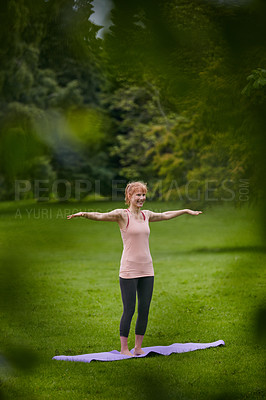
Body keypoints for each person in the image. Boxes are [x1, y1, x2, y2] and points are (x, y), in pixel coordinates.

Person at [67, 181, 202, 356]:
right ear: (129, 196)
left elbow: (166, 214)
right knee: (129, 309)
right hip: (129, 270)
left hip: (147, 269)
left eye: (144, 195)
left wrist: (185, 211)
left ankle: (138, 347)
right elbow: (100, 215)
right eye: (138, 195)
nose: (142, 198)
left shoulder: (147, 215)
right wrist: (84, 214)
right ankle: (124, 348)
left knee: (144, 308)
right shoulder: (122, 215)